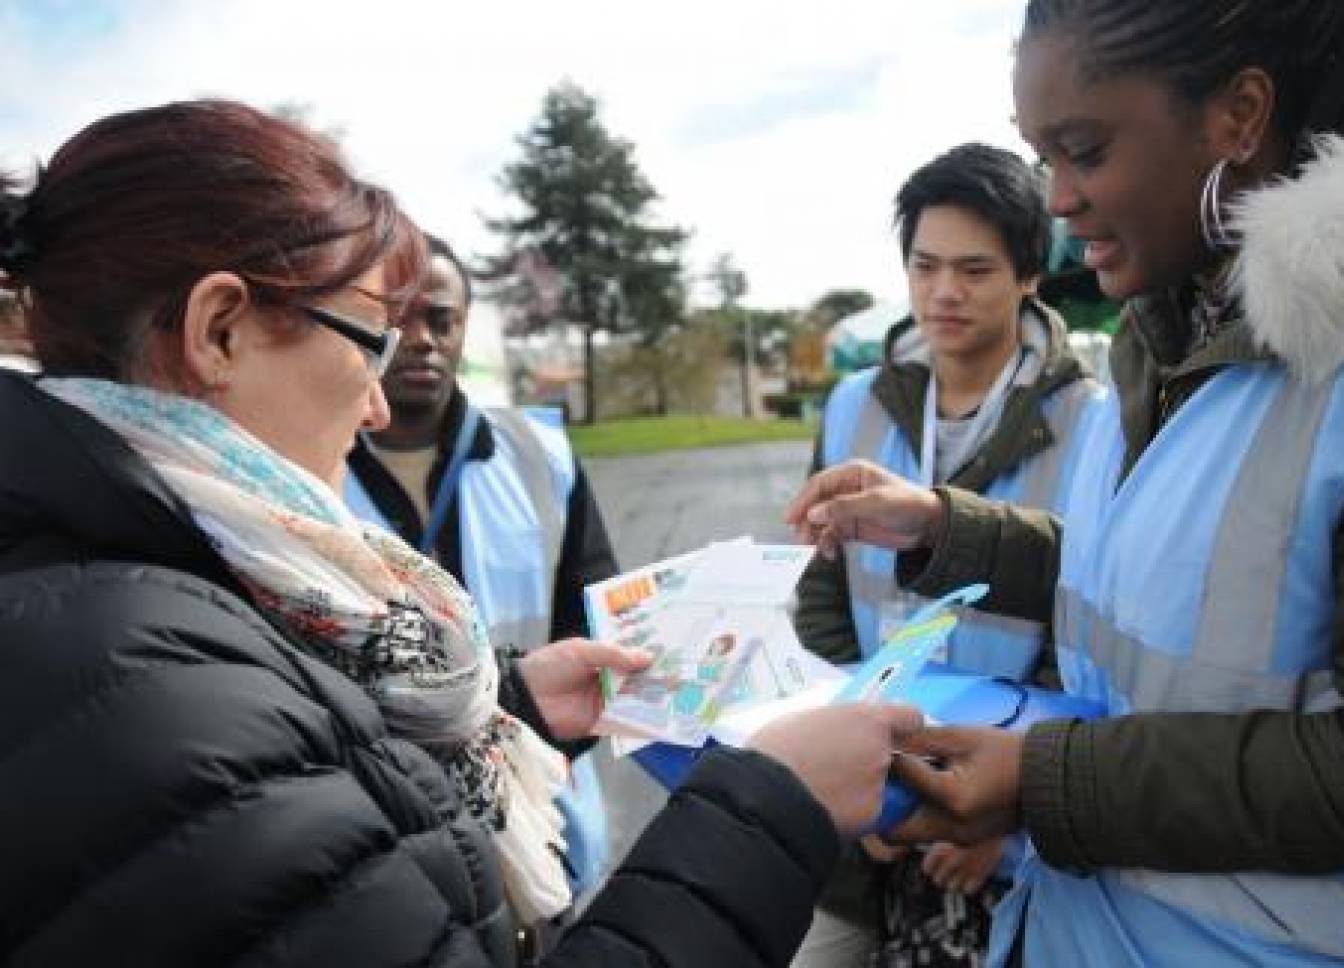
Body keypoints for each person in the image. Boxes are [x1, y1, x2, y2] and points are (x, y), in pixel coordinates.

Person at [0, 98, 923, 968]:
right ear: (220, 331)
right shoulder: (152, 689)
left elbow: (308, 834)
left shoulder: (146, 584)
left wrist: (510, 707)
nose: (372, 404)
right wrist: (768, 809)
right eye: (370, 340)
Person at [789, 1, 1344, 964]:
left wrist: (1042, 782)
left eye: (1086, 150)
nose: (1057, 201)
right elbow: (1164, 588)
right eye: (1044, 156)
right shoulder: (1164, 333)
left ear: (1239, 116)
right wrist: (946, 528)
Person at [792, 144, 1100, 967]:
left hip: (1008, 805)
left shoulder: (1092, 422)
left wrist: (1010, 814)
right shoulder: (855, 402)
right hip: (867, 790)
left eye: (974, 270)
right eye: (924, 267)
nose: (943, 293)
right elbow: (821, 587)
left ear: (1031, 275)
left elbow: (1091, 627)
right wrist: (863, 762)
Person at [344, 234, 618, 900]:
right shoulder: (307, 466)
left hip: (550, 816)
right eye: (399, 316)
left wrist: (532, 765)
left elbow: (598, 629)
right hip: (391, 837)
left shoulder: (540, 454)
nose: (423, 339)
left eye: (442, 319)